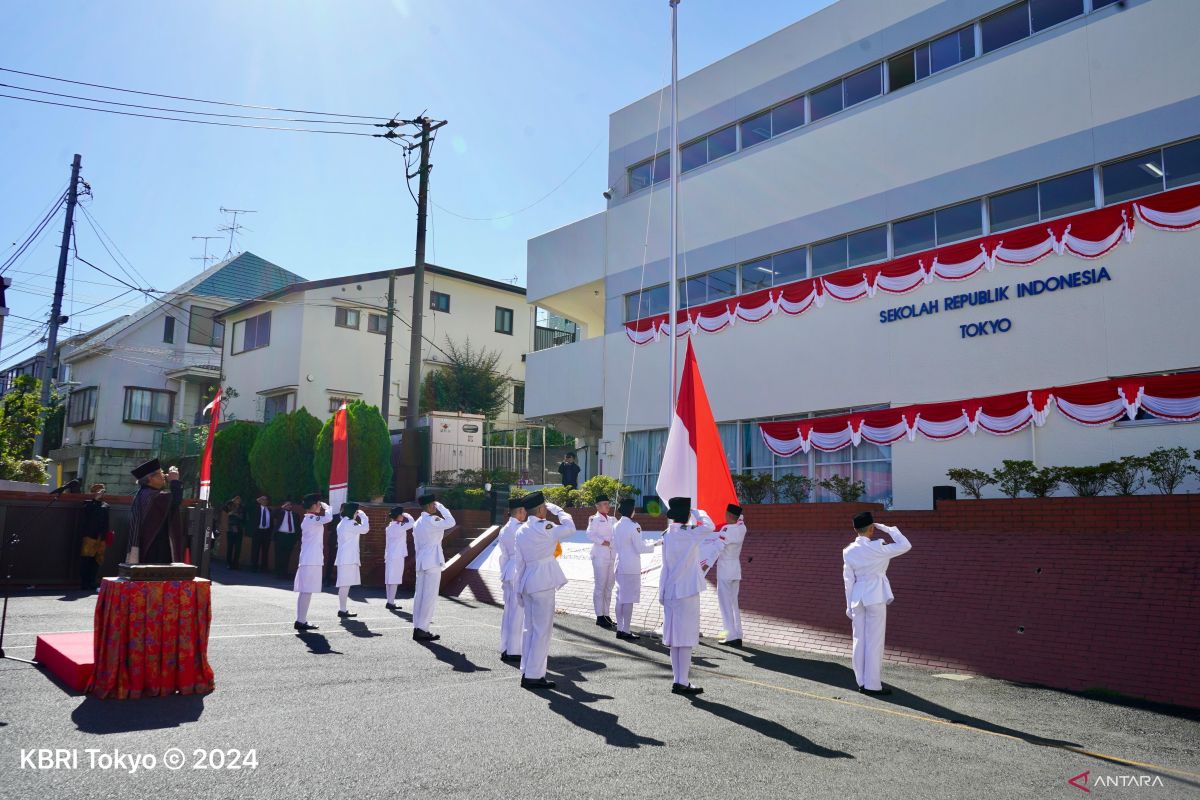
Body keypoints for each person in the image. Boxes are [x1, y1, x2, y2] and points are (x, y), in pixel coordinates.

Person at [843, 511, 912, 696]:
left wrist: (849, 605)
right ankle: (873, 685)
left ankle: (861, 681)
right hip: (875, 596)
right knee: (874, 642)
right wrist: (888, 529)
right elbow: (906, 545)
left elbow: (848, 581)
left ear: (855, 529)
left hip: (858, 598)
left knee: (859, 640)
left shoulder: (848, 551)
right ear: (872, 528)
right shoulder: (878, 547)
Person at [514, 491, 577, 690]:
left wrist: (518, 588)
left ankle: (527, 669)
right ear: (542, 509)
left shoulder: (521, 530)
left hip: (528, 582)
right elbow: (570, 528)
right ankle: (534, 675)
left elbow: (519, 563)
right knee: (542, 631)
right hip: (543, 583)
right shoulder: (546, 527)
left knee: (530, 629)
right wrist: (558, 510)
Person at [659, 496, 714, 696]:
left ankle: (678, 680)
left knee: (675, 639)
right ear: (687, 514)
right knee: (687, 638)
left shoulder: (666, 534)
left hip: (671, 590)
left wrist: (661, 592)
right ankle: (682, 681)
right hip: (688, 590)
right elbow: (710, 525)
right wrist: (697, 511)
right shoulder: (690, 533)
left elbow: (664, 567)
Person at [611, 497, 660, 640]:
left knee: (620, 598)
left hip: (619, 563)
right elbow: (639, 548)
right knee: (628, 599)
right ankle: (625, 630)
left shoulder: (616, 525)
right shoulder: (634, 526)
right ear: (631, 510)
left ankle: (620, 628)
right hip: (631, 566)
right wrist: (656, 544)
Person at [411, 493, 457, 641]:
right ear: (431, 506)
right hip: (432, 561)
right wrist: (442, 507)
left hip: (422, 561)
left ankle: (417, 626)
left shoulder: (418, 522)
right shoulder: (432, 520)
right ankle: (423, 629)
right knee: (429, 596)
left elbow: (417, 546)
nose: (435, 507)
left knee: (419, 596)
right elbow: (451, 522)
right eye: (434, 504)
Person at [127, 459, 184, 564]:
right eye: (161, 473)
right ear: (150, 478)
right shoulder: (151, 495)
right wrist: (174, 481)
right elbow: (175, 500)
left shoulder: (143, 493)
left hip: (150, 546)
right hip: (156, 548)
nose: (164, 476)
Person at [293, 493, 332, 631]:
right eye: (318, 504)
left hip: (311, 559)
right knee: (306, 591)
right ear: (314, 506)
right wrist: (328, 507)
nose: (319, 506)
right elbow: (328, 518)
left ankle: (301, 620)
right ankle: (301, 621)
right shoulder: (311, 519)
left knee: (306, 591)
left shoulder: (311, 519)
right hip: (310, 560)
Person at [497, 496, 526, 663]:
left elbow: (503, 554)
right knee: (517, 613)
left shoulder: (505, 528)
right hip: (517, 570)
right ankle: (514, 650)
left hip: (508, 570)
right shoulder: (520, 528)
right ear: (520, 511)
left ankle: (506, 647)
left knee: (509, 611)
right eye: (524, 511)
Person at [716, 503, 748, 648]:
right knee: (734, 603)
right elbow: (740, 518)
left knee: (725, 604)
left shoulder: (726, 529)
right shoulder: (742, 528)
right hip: (735, 569)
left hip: (724, 570)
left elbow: (717, 547)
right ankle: (738, 634)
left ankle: (730, 636)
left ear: (729, 516)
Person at [586, 494, 617, 629]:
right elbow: (590, 534)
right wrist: (604, 542)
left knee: (609, 586)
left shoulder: (613, 519)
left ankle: (606, 614)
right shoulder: (594, 519)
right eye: (604, 504)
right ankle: (599, 615)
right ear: (597, 506)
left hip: (612, 555)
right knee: (600, 586)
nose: (607, 506)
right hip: (600, 555)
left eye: (608, 503)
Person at [335, 502, 370, 619]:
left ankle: (342, 609)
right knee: (344, 585)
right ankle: (342, 610)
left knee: (344, 585)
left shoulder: (342, 522)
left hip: (344, 558)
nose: (356, 514)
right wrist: (364, 516)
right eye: (356, 512)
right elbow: (365, 529)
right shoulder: (351, 523)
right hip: (348, 558)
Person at [79, 483, 109, 590]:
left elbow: (106, 521)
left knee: (97, 560)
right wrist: (95, 500)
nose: (101, 493)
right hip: (89, 536)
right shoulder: (87, 504)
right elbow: (88, 514)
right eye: (99, 491)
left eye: (103, 491)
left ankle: (92, 581)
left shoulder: (105, 505)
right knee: (86, 559)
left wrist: (106, 535)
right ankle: (84, 583)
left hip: (101, 537)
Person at [384, 506, 415, 611]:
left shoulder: (389, 527)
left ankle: (389, 601)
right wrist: (407, 514)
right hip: (397, 556)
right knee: (394, 579)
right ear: (397, 516)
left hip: (390, 555)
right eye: (401, 514)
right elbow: (412, 522)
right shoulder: (399, 527)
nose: (403, 516)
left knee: (389, 579)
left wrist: (403, 514)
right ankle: (391, 602)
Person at [274, 500, 300, 578]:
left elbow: (297, 527)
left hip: (290, 537)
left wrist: (297, 539)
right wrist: (281, 507)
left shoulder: (295, 515)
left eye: (290, 505)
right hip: (280, 536)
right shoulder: (280, 513)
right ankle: (278, 572)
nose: (289, 506)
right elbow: (272, 514)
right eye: (287, 505)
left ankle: (284, 572)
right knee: (279, 554)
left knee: (287, 555)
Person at [251, 495, 273, 573]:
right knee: (255, 550)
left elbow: (272, 522)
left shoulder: (269, 510)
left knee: (265, 550)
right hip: (257, 531)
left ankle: (264, 568)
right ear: (260, 500)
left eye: (266, 500)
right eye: (263, 499)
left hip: (266, 532)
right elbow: (249, 505)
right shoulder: (256, 508)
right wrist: (257, 499)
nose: (264, 501)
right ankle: (254, 567)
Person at [222, 496, 244, 569]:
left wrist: (236, 514)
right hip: (231, 529)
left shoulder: (242, 507)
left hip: (239, 529)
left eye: (239, 499)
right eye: (236, 499)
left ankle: (235, 563)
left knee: (238, 548)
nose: (238, 500)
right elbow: (224, 509)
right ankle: (229, 563)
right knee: (230, 547)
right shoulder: (229, 505)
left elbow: (242, 517)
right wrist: (231, 512)